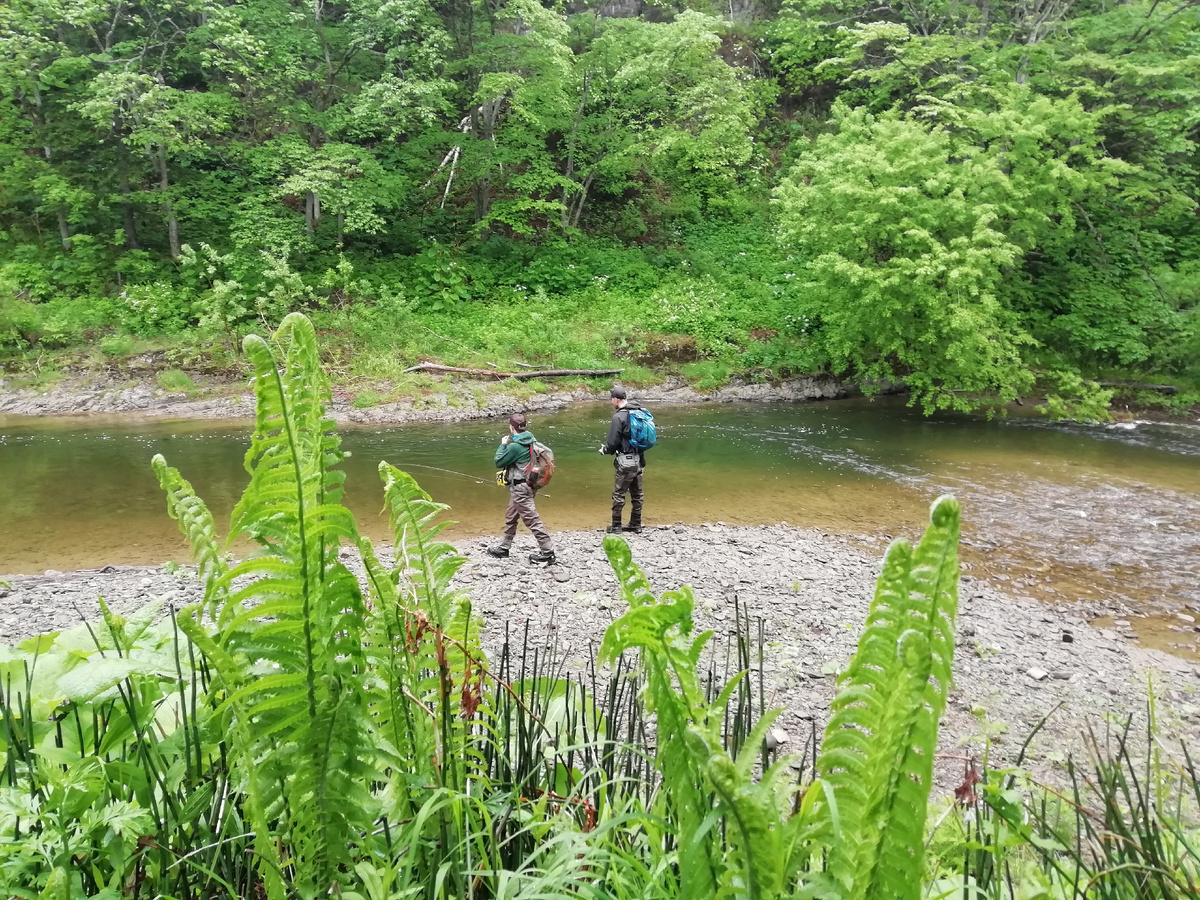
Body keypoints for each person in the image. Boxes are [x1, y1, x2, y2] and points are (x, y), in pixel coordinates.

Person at [488, 413, 556, 564]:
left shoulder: (515, 446)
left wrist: (503, 444)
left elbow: (498, 461)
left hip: (520, 488)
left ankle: (548, 552)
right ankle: (504, 548)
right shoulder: (531, 439)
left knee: (532, 519)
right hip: (528, 484)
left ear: (511, 427)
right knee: (511, 516)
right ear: (524, 426)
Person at [598, 386, 646, 534]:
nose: (611, 402)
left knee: (619, 494)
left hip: (625, 462)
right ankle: (636, 524)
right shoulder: (639, 412)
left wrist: (604, 450)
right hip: (639, 459)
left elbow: (612, 443)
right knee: (637, 494)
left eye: (612, 399)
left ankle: (616, 526)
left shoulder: (618, 417)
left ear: (616, 400)